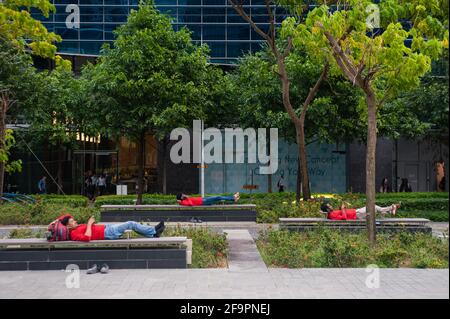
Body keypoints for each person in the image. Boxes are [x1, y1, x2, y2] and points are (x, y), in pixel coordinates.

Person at [55, 214, 166, 242]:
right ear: (68, 226)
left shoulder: (73, 227)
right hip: (108, 233)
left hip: (107, 228)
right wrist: (89, 224)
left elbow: (65, 216)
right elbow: (87, 238)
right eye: (72, 221)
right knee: (130, 223)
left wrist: (57, 220)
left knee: (131, 225)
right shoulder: (73, 234)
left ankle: (153, 234)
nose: (75, 221)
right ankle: (153, 231)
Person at [320, 201, 401, 220]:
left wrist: (342, 208)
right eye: (329, 206)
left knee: (374, 209)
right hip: (357, 214)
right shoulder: (332, 215)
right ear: (327, 209)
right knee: (372, 207)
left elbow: (342, 214)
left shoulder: (331, 214)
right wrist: (342, 208)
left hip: (357, 212)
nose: (331, 206)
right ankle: (392, 207)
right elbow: (344, 218)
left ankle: (390, 210)